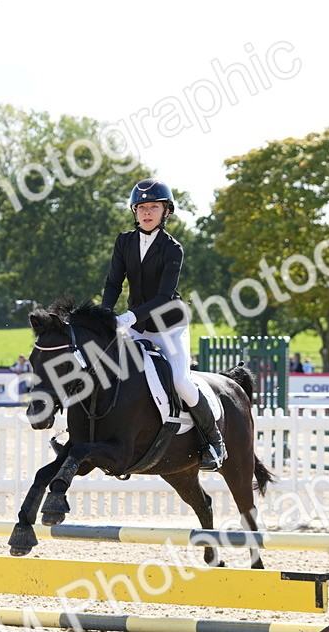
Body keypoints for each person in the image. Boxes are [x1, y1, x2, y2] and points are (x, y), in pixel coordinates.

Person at [101, 178, 224, 470]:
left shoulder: (173, 248)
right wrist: (105, 314)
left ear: (165, 212)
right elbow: (113, 282)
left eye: (153, 207)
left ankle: (214, 441)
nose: (146, 212)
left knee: (181, 381)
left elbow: (164, 296)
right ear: (135, 211)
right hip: (136, 325)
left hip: (169, 326)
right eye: (141, 207)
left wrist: (129, 317)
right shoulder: (124, 241)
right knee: (101, 363)